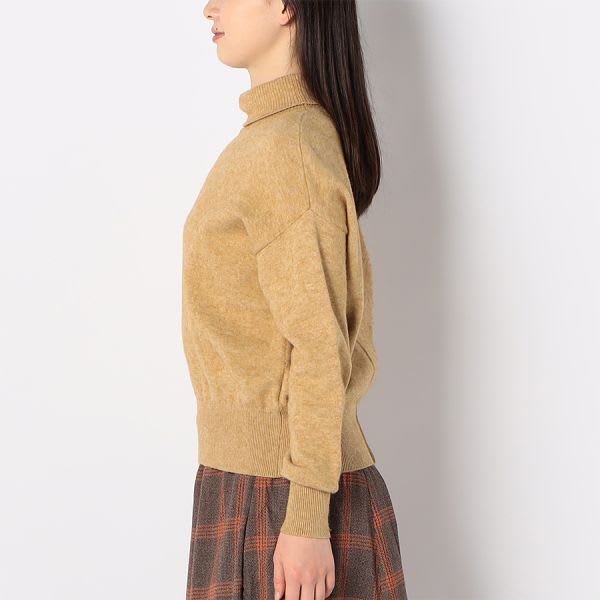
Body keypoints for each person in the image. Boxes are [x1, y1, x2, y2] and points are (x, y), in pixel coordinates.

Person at [183, 1, 408, 598]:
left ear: (285, 6)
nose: (209, 8)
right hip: (257, 485)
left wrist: (306, 516)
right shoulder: (272, 140)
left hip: (283, 497)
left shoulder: (288, 148)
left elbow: (317, 345)